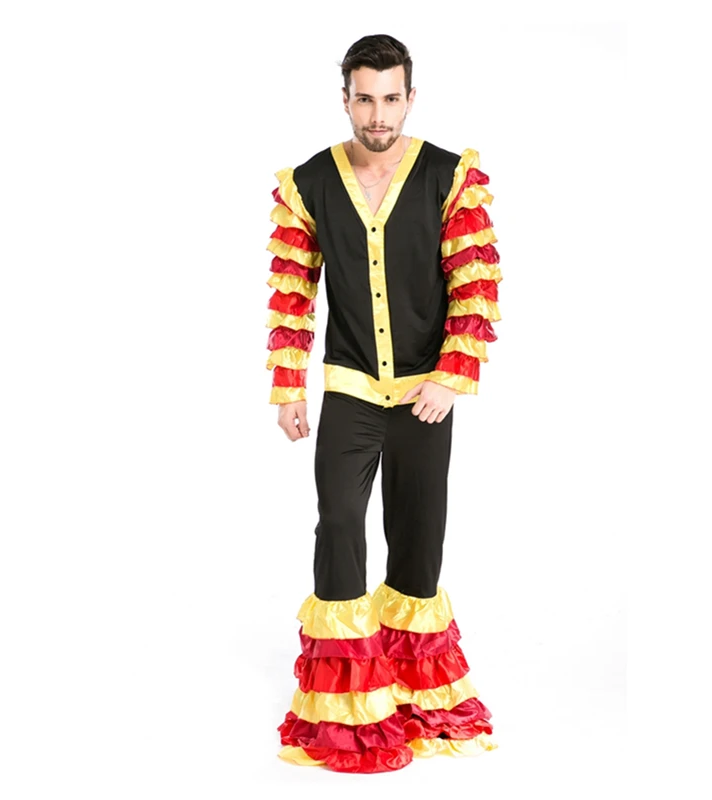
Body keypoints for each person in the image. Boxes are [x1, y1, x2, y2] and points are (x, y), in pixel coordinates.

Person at [264, 33, 502, 773]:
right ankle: (345, 711)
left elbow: (475, 283)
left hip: (427, 395)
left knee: (418, 539)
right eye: (364, 99)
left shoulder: (449, 177)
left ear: (410, 97)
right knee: (338, 524)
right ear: (345, 99)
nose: (378, 114)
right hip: (351, 389)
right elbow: (293, 291)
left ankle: (414, 692)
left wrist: (452, 376)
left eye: (390, 98)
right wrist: (287, 385)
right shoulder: (310, 182)